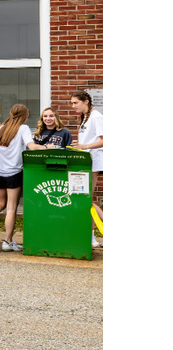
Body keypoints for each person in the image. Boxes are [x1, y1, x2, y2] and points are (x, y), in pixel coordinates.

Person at [0, 104, 39, 251]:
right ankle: (7, 241)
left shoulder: (0, 129)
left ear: (10, 113)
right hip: (13, 172)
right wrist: (49, 147)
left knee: (0, 203)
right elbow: (32, 146)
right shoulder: (23, 128)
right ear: (25, 116)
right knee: (11, 208)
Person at [69, 90, 104, 247]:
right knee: (85, 198)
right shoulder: (85, 118)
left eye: (75, 103)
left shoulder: (96, 116)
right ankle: (91, 236)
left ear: (86, 102)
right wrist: (79, 145)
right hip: (84, 161)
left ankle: (94, 236)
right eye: (72, 103)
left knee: (87, 199)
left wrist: (85, 145)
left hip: (93, 162)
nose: (73, 106)